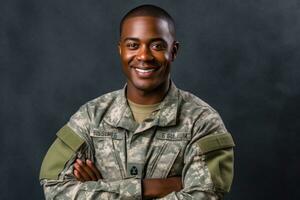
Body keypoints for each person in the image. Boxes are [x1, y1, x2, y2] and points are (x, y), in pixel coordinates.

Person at [39, 4, 235, 199]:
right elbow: (55, 189)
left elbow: (204, 195)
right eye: (133, 45)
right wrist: (148, 188)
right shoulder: (92, 116)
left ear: (173, 51)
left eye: (157, 46)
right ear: (121, 50)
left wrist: (100, 188)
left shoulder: (202, 122)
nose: (144, 56)